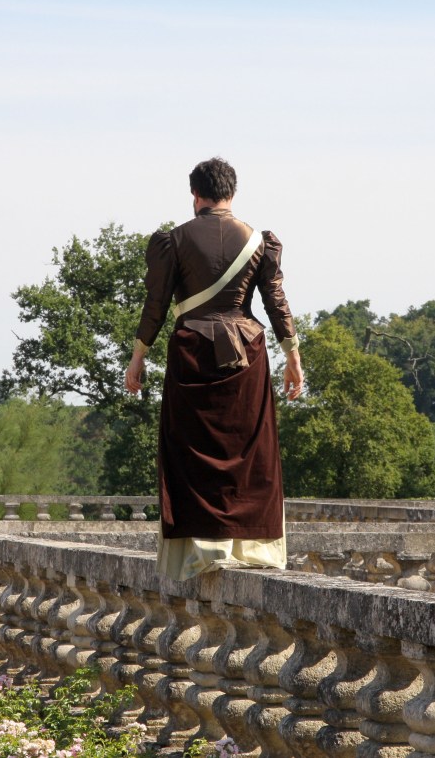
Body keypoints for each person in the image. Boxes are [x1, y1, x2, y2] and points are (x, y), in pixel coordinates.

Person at [125, 157, 304, 581]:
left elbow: (156, 304)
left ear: (195, 195)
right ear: (232, 193)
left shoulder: (173, 240)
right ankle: (251, 549)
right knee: (248, 452)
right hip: (248, 353)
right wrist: (293, 354)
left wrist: (138, 355)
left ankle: (199, 550)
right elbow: (275, 301)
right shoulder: (259, 241)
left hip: (192, 351)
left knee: (192, 451)